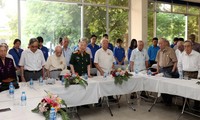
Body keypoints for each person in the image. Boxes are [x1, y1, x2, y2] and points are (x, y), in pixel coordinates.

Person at [178, 40, 200, 110]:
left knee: (195, 90)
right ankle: (185, 105)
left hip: (195, 74)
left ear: (191, 46)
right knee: (184, 89)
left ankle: (197, 106)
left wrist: (199, 76)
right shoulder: (182, 54)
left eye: (188, 46)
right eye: (185, 46)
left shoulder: (197, 55)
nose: (186, 48)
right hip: (185, 74)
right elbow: (179, 64)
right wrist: (180, 73)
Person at [156, 38, 178, 106]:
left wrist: (173, 70)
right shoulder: (159, 51)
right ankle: (165, 100)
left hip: (169, 69)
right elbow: (157, 62)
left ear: (165, 43)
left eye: (161, 43)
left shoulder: (170, 50)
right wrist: (157, 70)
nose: (159, 45)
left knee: (168, 87)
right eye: (158, 43)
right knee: (161, 86)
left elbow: (175, 61)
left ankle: (169, 101)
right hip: (161, 70)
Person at [94, 38, 116, 102]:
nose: (106, 44)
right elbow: (95, 63)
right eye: (104, 43)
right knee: (101, 86)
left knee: (110, 85)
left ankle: (110, 97)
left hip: (109, 72)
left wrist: (112, 69)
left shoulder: (110, 51)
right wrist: (101, 71)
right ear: (101, 44)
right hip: (101, 72)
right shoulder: (98, 52)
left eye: (107, 43)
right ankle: (99, 100)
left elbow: (113, 62)